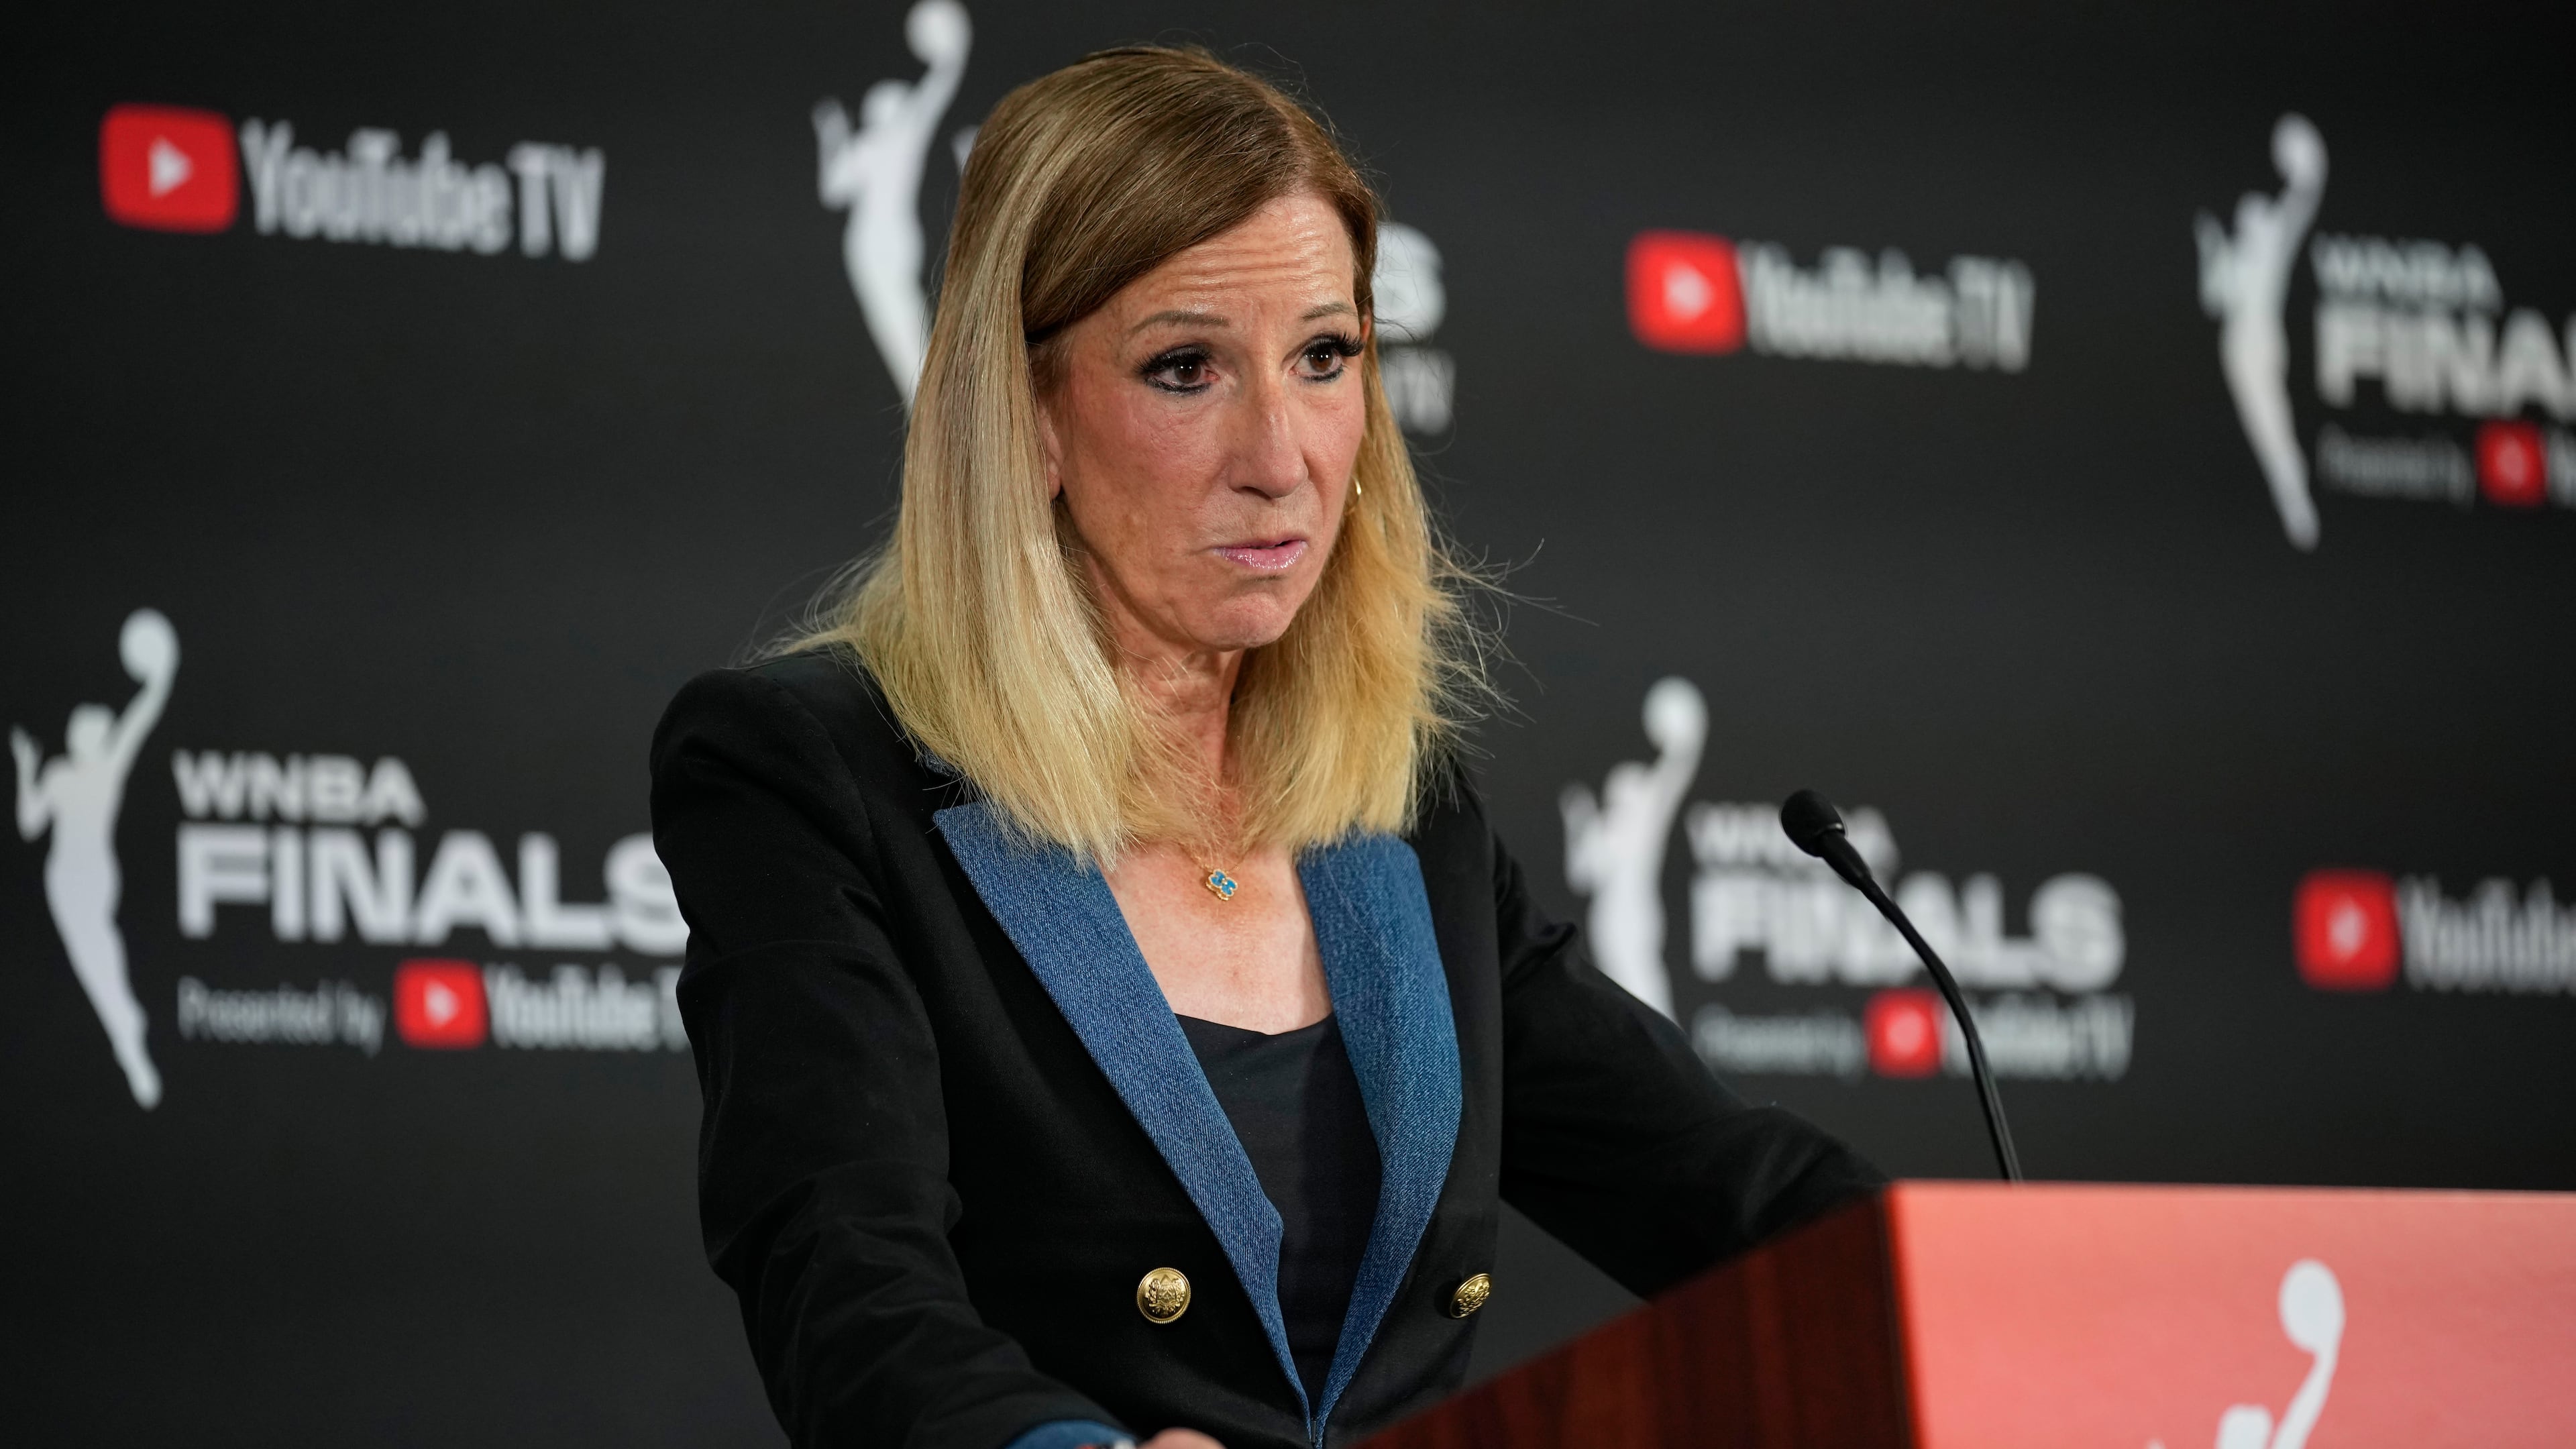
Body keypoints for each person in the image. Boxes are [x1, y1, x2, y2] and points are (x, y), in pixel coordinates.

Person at [651, 45, 1880, 1449]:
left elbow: (1719, 1186)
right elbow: (847, 1284)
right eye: (1187, 369)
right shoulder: (812, 775)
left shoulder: (1399, 806)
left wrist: (2020, 1292)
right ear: (1031, 415)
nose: (1282, 453)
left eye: (1324, 357)